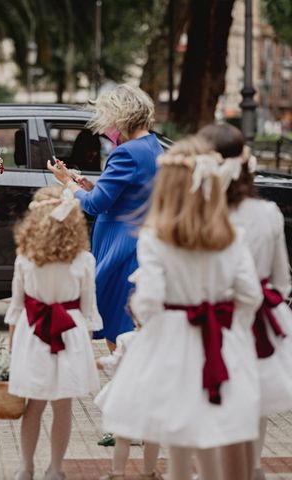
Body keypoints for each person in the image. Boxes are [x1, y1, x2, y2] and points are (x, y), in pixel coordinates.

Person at [97, 136, 263, 480]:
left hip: (172, 348)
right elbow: (250, 294)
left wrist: (146, 312)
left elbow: (149, 300)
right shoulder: (231, 235)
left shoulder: (156, 239)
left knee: (178, 438)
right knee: (210, 437)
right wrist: (227, 320)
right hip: (219, 344)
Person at [199, 123, 292, 480]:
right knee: (255, 401)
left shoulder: (196, 217)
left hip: (203, 322)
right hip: (253, 320)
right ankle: (250, 468)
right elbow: (281, 281)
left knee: (208, 399)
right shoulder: (267, 214)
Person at [47, 84, 163, 352]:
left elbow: (95, 205)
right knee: (128, 320)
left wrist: (69, 183)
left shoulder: (125, 152)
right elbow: (132, 192)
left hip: (120, 246)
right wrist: (90, 186)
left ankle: (125, 384)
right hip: (139, 238)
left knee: (116, 322)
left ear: (120, 115)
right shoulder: (153, 145)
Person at [5, 186, 102, 480]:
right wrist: (85, 347)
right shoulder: (84, 260)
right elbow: (88, 311)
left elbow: (16, 307)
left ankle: (25, 467)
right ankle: (55, 468)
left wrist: (11, 345)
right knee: (63, 406)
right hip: (70, 335)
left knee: (33, 406)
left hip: (32, 334)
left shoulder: (25, 257)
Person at [95, 330, 162, 479]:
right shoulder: (163, 339)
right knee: (152, 435)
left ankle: (117, 472)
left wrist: (100, 362)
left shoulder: (126, 338)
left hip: (129, 393)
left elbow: (115, 363)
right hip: (153, 393)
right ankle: (148, 472)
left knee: (123, 435)